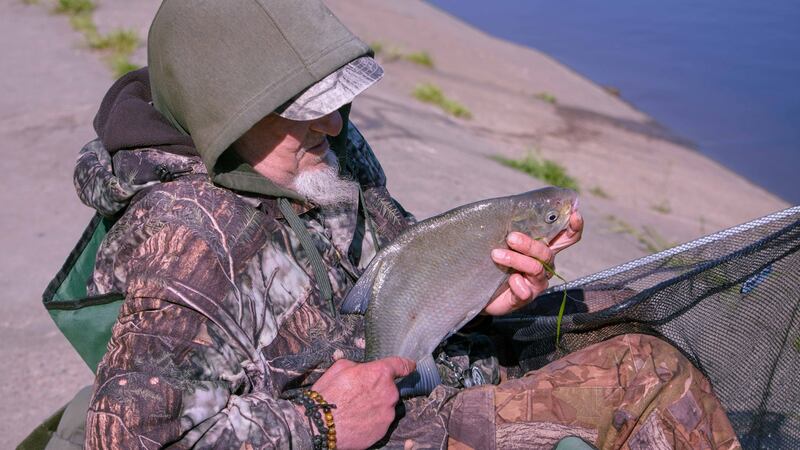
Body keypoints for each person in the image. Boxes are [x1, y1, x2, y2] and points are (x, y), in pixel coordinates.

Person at [70, 0, 741, 448]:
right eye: (302, 111)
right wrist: (321, 423)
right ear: (223, 117)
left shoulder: (321, 154)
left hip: (423, 365)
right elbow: (126, 433)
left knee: (626, 314)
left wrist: (484, 297)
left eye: (335, 103)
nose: (332, 126)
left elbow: (404, 268)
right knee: (639, 370)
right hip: (375, 427)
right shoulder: (188, 231)